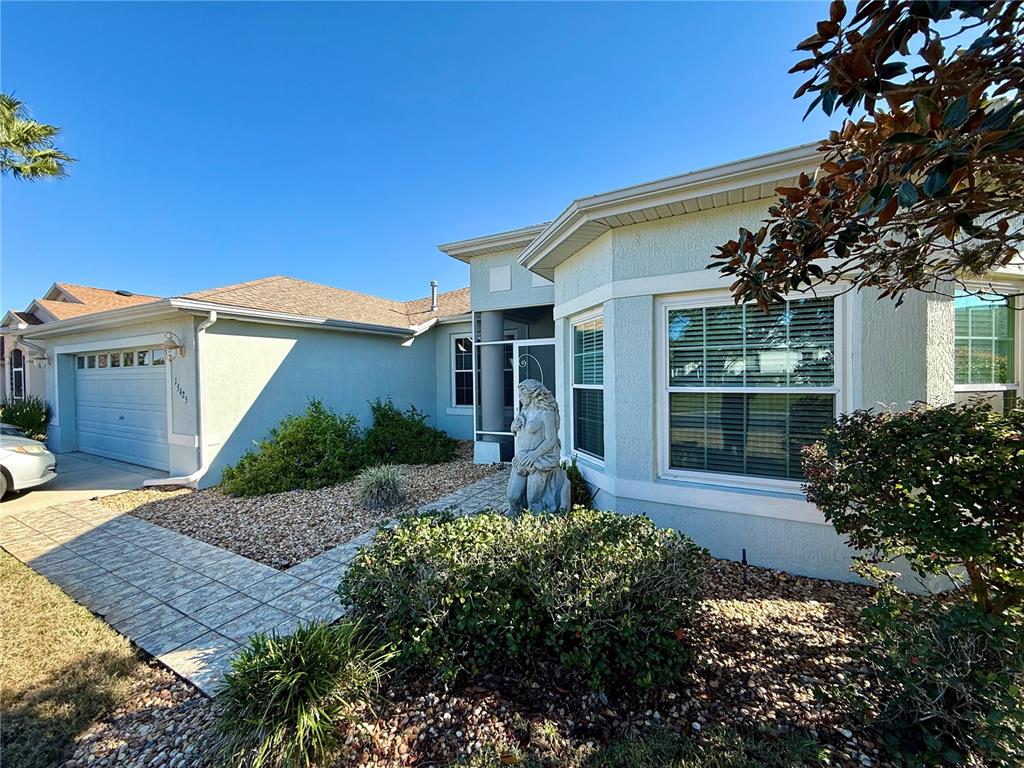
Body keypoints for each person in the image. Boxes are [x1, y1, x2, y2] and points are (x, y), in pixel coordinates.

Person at [507, 378, 570, 514]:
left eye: (522, 395)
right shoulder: (525, 411)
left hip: (539, 461)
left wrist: (534, 454)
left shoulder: (547, 413)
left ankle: (537, 529)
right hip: (521, 459)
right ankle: (514, 525)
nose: (520, 398)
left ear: (532, 394)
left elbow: (551, 439)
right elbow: (520, 431)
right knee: (513, 496)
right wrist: (513, 426)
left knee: (534, 501)